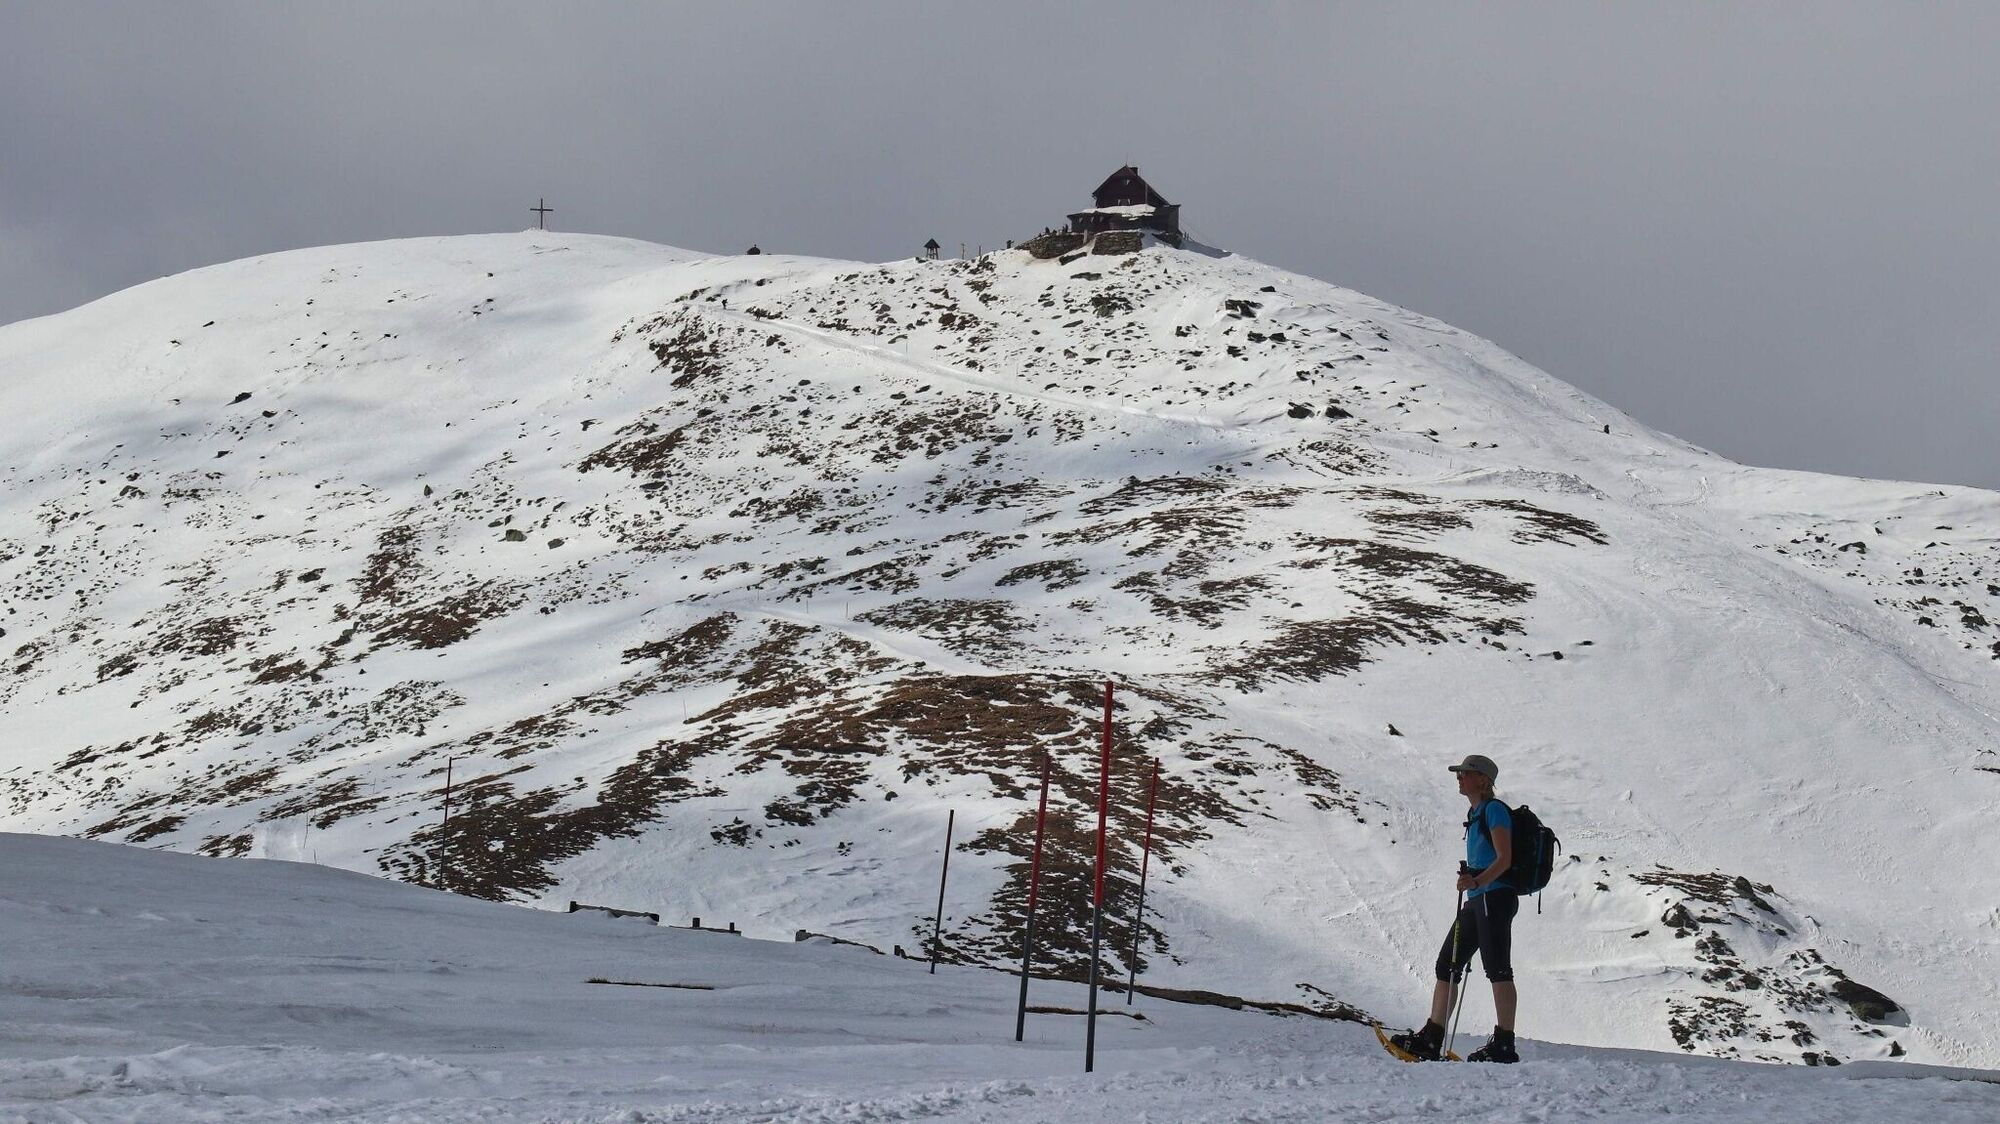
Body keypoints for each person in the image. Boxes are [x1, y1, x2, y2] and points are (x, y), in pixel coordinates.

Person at [1387, 753, 1520, 1063]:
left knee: (1498, 968)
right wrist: (1473, 881)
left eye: (1465, 773)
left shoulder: (1494, 811)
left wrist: (1477, 880)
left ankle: (1504, 1045)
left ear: (1483, 779)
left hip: (1494, 898)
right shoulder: (1476, 813)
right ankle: (1431, 1038)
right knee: (1447, 964)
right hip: (1478, 899)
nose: (1459, 778)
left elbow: (1505, 859)